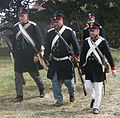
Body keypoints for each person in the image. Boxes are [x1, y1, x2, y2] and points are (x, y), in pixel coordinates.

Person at [80, 22, 117, 114]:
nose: (91, 32)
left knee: (98, 88)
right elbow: (83, 55)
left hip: (99, 68)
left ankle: (96, 106)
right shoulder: (86, 41)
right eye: (90, 30)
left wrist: (113, 68)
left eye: (93, 30)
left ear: (98, 31)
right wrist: (80, 66)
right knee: (87, 86)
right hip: (89, 68)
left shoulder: (102, 41)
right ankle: (93, 97)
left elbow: (109, 55)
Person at [44, 13, 80, 107]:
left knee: (68, 81)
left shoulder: (69, 31)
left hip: (66, 61)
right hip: (55, 61)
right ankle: (59, 100)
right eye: (54, 22)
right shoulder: (50, 33)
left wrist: (76, 57)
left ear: (61, 21)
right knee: (55, 81)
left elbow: (76, 46)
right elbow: (47, 47)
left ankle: (72, 93)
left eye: (57, 21)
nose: (55, 24)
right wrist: (46, 57)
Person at [12, 8, 45, 102]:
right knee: (18, 76)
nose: (21, 18)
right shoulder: (16, 27)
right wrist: (14, 54)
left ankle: (42, 89)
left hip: (30, 55)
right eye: (20, 16)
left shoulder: (33, 26)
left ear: (27, 16)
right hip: (19, 56)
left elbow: (39, 41)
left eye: (23, 16)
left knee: (34, 74)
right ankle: (19, 95)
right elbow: (14, 41)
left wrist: (36, 54)